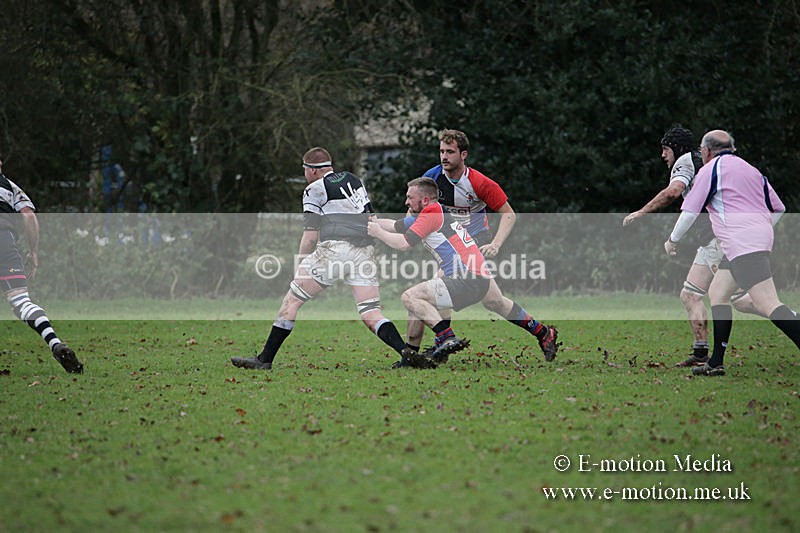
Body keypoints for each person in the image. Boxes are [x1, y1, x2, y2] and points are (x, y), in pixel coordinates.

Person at [231, 147, 419, 370]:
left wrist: (300, 263)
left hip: (335, 251)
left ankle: (264, 360)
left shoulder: (314, 189)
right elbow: (372, 220)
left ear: (311, 170)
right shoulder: (354, 179)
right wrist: (399, 226)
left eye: (304, 170)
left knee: (291, 301)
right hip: (365, 251)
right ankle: (406, 353)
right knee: (370, 311)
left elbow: (310, 236)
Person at [665, 130, 800, 376]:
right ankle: (716, 363)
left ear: (706, 151)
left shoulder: (709, 170)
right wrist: (759, 229)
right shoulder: (751, 170)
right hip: (751, 241)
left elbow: (690, 212)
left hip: (742, 243)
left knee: (767, 303)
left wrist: (672, 240)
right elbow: (779, 207)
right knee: (718, 293)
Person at [623, 126, 758, 367]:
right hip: (711, 240)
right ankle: (700, 353)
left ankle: (788, 319)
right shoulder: (702, 161)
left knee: (740, 300)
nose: (663, 155)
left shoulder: (685, 161)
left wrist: (642, 212)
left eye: (665, 149)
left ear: (678, 148)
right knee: (690, 294)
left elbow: (673, 192)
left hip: (719, 238)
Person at [421, 129, 558, 361]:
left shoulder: (479, 182)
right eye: (441, 151)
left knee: (440, 284)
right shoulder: (432, 178)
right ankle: (543, 332)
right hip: (450, 243)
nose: (444, 156)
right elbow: (415, 207)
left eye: (450, 152)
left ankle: (442, 344)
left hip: (476, 240)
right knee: (493, 301)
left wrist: (495, 243)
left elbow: (509, 214)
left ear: (463, 154)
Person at [368, 177, 490, 367]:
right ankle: (410, 358)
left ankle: (446, 337)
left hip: (468, 278)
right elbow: (394, 225)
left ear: (425, 200)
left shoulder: (431, 212)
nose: (406, 202)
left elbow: (403, 244)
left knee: (409, 297)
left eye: (410, 197)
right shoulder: (429, 213)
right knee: (417, 303)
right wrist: (371, 222)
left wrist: (377, 232)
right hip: (473, 279)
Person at [0, 159, 83, 373]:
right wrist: (33, 251)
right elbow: (28, 215)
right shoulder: (10, 186)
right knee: (21, 301)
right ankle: (55, 343)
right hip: (5, 242)